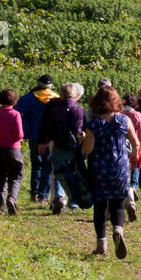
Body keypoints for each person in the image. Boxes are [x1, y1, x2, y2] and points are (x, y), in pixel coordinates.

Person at [80, 86, 140, 258]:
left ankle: (101, 245)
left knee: (100, 206)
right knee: (117, 204)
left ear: (97, 103)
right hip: (119, 168)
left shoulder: (94, 124)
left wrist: (84, 142)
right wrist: (133, 159)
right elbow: (135, 142)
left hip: (99, 169)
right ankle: (118, 229)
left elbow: (88, 149)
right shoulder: (124, 120)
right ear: (116, 101)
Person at [37, 82, 86, 214]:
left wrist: (43, 142)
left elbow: (45, 126)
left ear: (61, 94)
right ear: (75, 95)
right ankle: (73, 200)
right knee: (73, 172)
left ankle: (58, 197)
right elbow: (81, 129)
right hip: (74, 145)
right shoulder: (79, 109)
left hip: (57, 143)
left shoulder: (53, 107)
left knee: (58, 172)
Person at [14, 74, 58, 202]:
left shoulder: (29, 97)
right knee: (48, 166)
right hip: (50, 137)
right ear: (50, 85)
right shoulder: (56, 98)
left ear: (38, 83)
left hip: (34, 135)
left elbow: (17, 111)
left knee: (36, 165)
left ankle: (34, 193)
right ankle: (44, 195)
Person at [0, 88, 25, 215]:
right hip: (13, 149)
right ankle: (12, 199)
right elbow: (19, 135)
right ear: (14, 100)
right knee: (16, 176)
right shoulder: (15, 114)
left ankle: (0, 207)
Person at [122, 93, 141, 198]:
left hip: (122, 143)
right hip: (134, 142)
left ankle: (125, 185)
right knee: (136, 164)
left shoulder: (119, 114)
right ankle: (133, 186)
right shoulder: (137, 115)